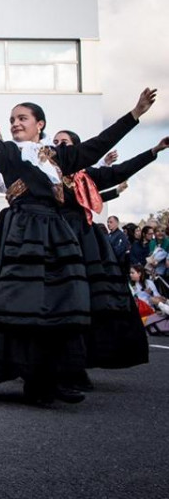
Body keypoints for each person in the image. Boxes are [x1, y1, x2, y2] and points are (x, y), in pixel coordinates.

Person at [0, 65, 156, 405]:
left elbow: (97, 146)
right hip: (23, 234)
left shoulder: (59, 158)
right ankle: (36, 382)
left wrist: (134, 114)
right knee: (27, 307)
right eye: (13, 118)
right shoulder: (10, 154)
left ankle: (56, 376)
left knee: (61, 306)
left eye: (23, 118)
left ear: (40, 124)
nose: (15, 123)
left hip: (57, 236)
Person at [52, 129, 166, 374]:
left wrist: (153, 151)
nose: (59, 146)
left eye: (65, 142)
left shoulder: (87, 175)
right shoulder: (47, 174)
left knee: (88, 298)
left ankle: (81, 358)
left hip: (83, 239)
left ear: (77, 148)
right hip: (54, 237)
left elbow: (119, 171)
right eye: (55, 142)